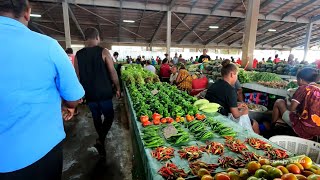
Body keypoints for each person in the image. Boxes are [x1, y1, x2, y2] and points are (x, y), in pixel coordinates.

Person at [0, 1, 84, 179]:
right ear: (27, 13)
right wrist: (69, 106)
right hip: (39, 153)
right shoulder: (48, 46)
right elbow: (73, 96)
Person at [74, 27, 120, 158]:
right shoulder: (104, 52)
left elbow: (76, 76)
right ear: (98, 38)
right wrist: (118, 88)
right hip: (104, 92)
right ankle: (101, 139)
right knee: (109, 116)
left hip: (90, 93)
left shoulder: (78, 55)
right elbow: (113, 72)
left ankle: (101, 140)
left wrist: (79, 95)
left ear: (85, 39)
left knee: (96, 117)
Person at [205, 60, 259, 133]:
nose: (236, 78)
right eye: (236, 75)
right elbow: (236, 115)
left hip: (210, 116)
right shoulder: (230, 90)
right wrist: (245, 111)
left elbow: (220, 101)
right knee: (255, 124)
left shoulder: (214, 84)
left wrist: (236, 105)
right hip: (222, 120)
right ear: (232, 74)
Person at [272, 68, 320, 139]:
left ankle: (271, 127)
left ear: (300, 80)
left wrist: (289, 100)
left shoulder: (303, 88)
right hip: (317, 129)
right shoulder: (318, 88)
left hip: (304, 127)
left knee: (279, 102)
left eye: (297, 80)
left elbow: (291, 109)